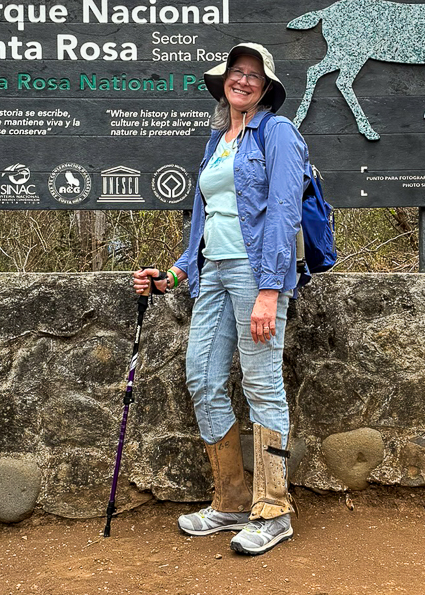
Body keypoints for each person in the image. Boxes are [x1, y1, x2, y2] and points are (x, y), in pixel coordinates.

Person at [132, 42, 308, 556]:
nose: (244, 80)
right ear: (224, 82)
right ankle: (230, 500)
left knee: (262, 382)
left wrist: (270, 292)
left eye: (254, 75)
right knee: (202, 378)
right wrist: (174, 273)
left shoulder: (277, 133)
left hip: (258, 274)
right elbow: (203, 223)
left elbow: (282, 215)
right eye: (237, 73)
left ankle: (273, 509)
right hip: (211, 274)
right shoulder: (217, 142)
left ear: (266, 87)